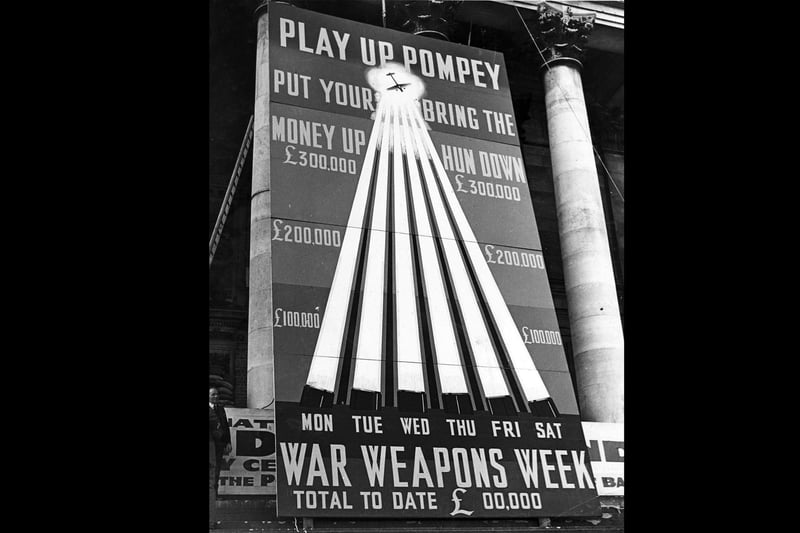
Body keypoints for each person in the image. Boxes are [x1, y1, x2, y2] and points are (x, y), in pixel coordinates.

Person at [209, 387, 232, 529]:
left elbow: (225, 426)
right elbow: (219, 430)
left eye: (217, 394)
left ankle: (215, 494)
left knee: (215, 473)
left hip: (217, 447)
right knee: (211, 476)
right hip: (212, 447)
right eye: (212, 394)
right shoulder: (211, 413)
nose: (215, 396)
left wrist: (227, 442)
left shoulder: (220, 409)